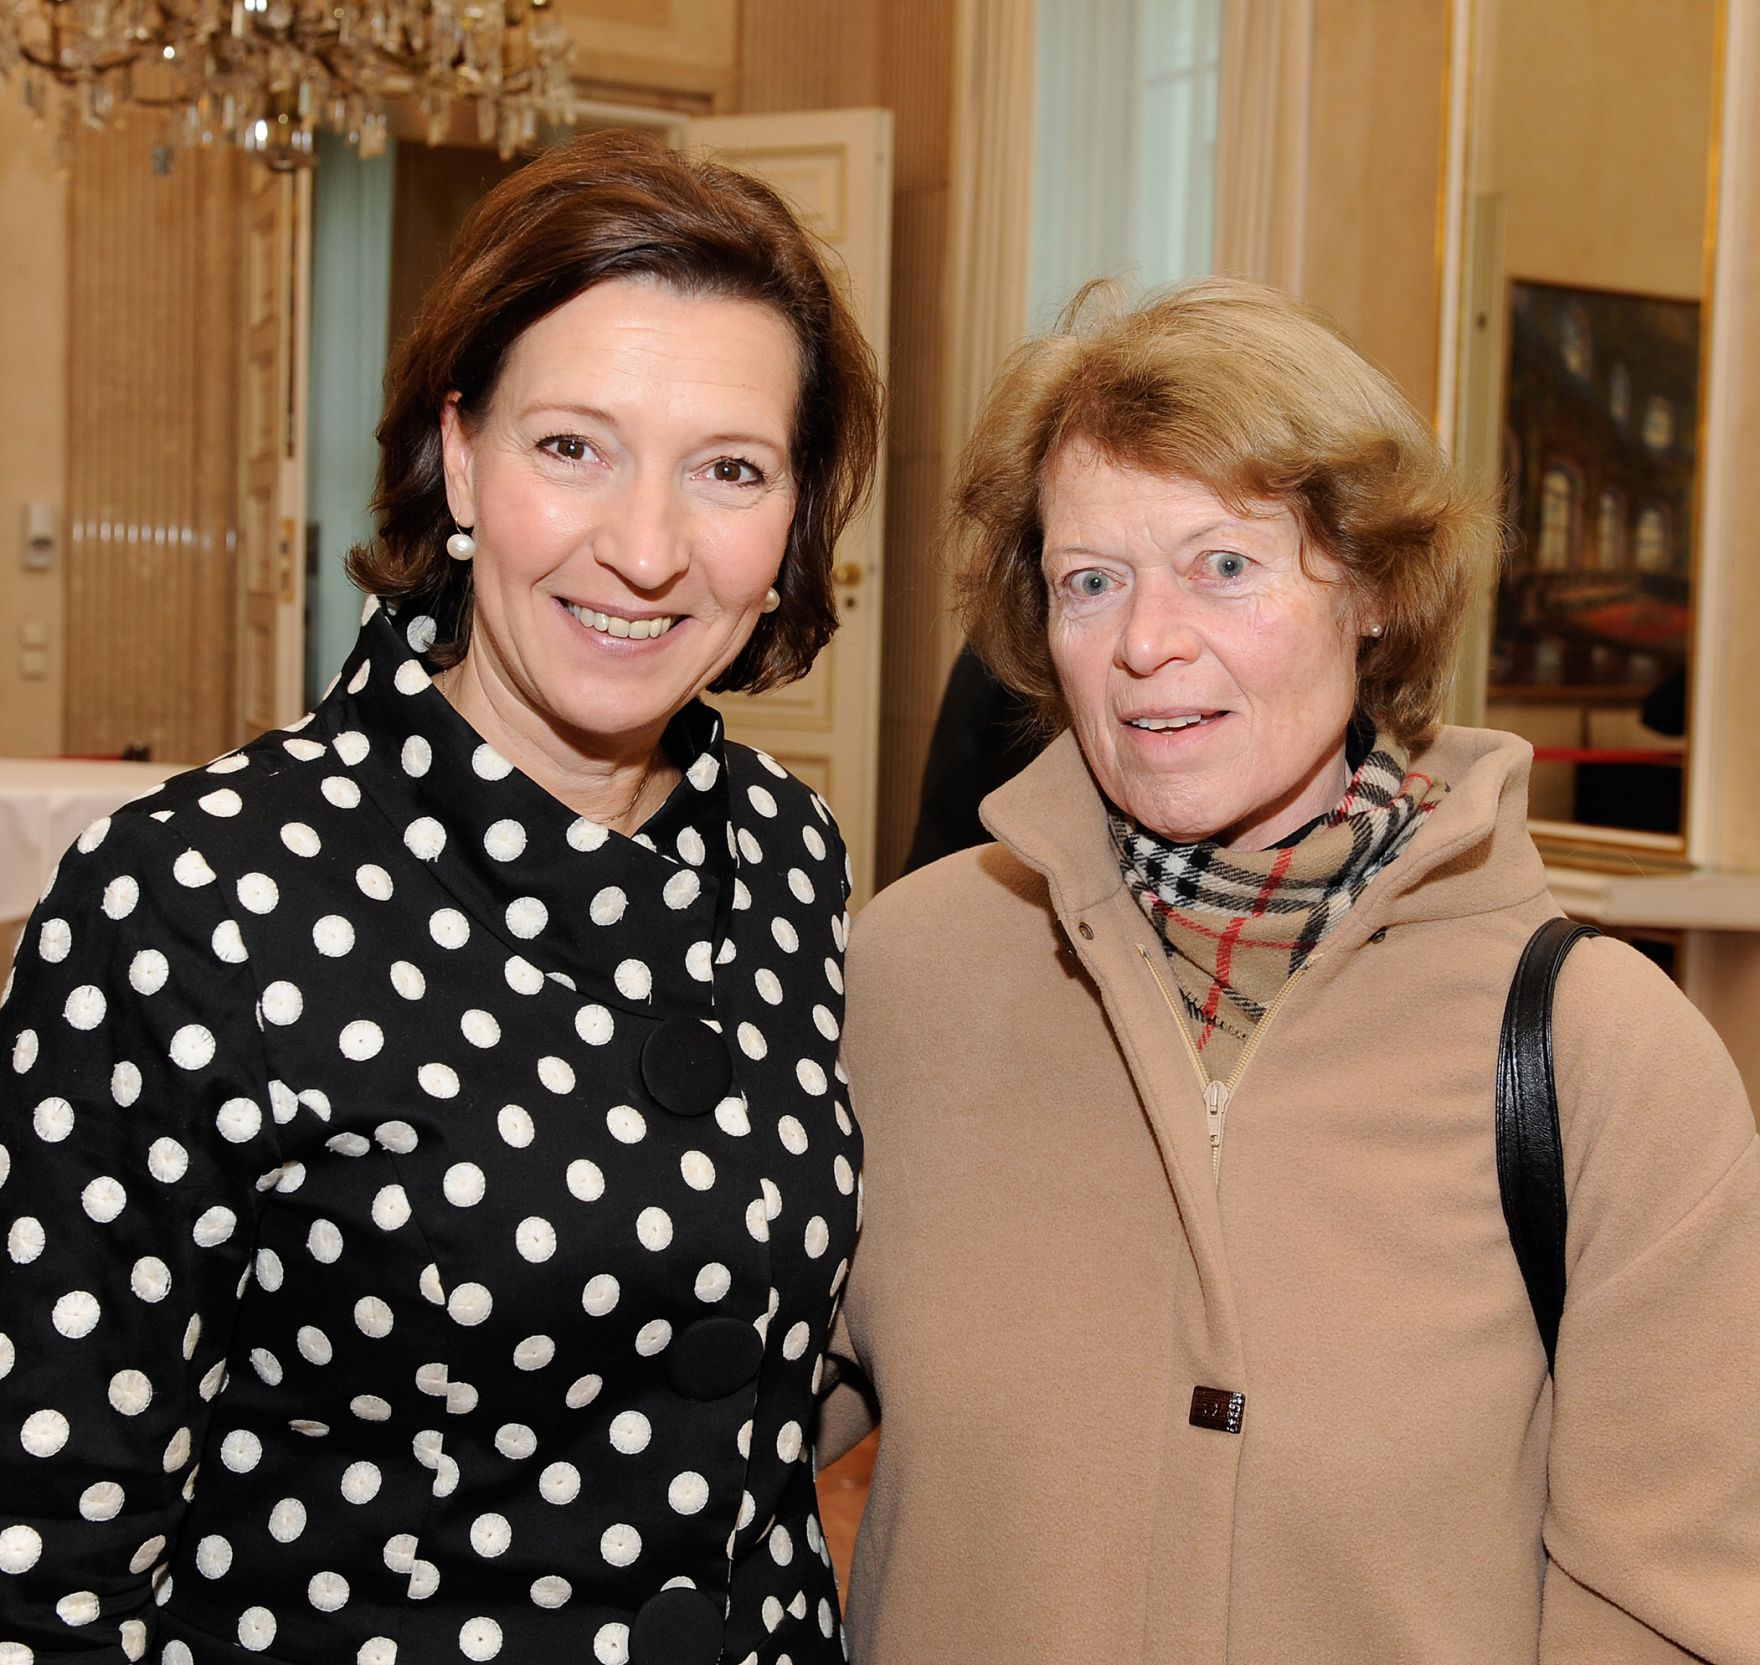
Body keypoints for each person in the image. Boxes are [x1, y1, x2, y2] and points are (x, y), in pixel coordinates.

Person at [0, 130, 879, 1665]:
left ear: (794, 519)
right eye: (574, 447)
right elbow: (42, 1567)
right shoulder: (194, 900)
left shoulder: (789, 855)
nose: (647, 549)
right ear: (461, 456)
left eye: (730, 468)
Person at [823, 278, 1760, 1663]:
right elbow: (712, 1417)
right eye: (1092, 581)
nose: (1147, 643)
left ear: (1373, 589)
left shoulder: (1598, 1056)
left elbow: (1672, 1611)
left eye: (1223, 565)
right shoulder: (908, 978)